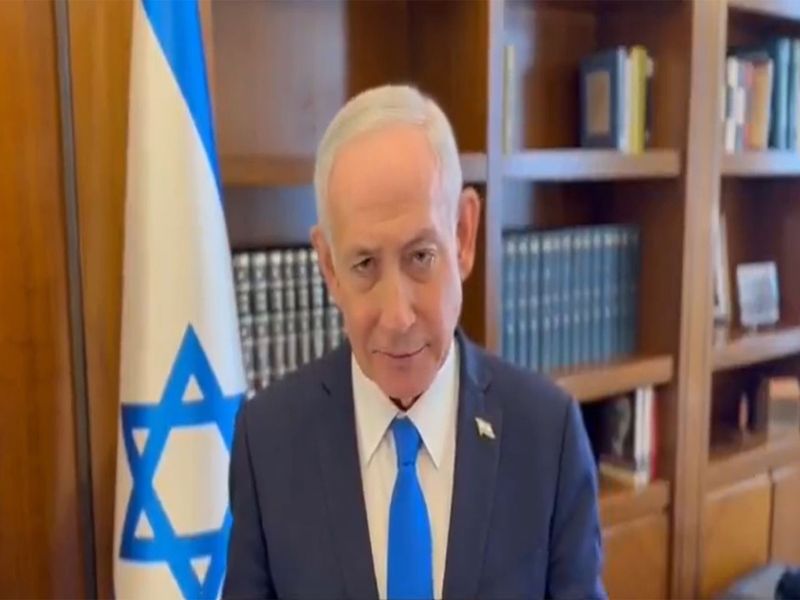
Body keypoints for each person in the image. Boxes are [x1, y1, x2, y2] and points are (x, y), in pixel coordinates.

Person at [223, 85, 605, 600]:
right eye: (364, 264)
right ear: (329, 267)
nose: (398, 317)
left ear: (463, 235)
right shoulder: (266, 441)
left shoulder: (548, 435)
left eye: (420, 257)